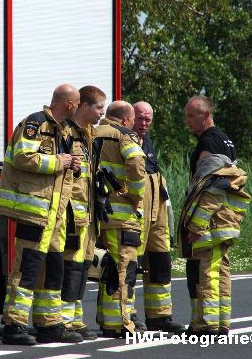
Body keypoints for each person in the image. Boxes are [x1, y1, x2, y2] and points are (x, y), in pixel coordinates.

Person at [0, 84, 84, 345]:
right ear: (69, 104)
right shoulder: (35, 123)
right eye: (77, 103)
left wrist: (72, 166)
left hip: (54, 216)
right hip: (35, 213)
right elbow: (23, 156)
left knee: (53, 270)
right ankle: (14, 325)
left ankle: (50, 325)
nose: (78, 108)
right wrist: (60, 161)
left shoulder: (64, 129)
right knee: (27, 268)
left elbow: (63, 170)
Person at [179, 95, 251, 336]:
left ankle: (206, 325)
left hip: (211, 221)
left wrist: (195, 225)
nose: (186, 121)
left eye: (191, 116)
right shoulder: (225, 140)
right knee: (221, 270)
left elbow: (207, 189)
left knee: (205, 271)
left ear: (206, 115)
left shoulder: (208, 143)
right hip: (227, 219)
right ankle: (221, 323)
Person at [128, 101, 185, 333]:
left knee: (161, 260)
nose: (144, 124)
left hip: (157, 208)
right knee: (131, 262)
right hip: (137, 207)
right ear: (130, 117)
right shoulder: (124, 139)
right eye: (140, 118)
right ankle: (128, 314)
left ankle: (160, 316)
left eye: (148, 119)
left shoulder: (146, 140)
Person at [94, 101, 146, 338]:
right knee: (124, 268)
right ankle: (121, 322)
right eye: (134, 120)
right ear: (125, 120)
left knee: (106, 269)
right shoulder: (124, 135)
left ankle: (107, 319)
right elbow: (136, 163)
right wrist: (135, 195)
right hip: (122, 215)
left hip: (97, 213)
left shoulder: (91, 133)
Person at [59, 85, 106, 340]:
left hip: (87, 214)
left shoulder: (89, 135)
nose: (102, 113)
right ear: (84, 106)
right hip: (71, 214)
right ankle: (64, 321)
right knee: (71, 267)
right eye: (99, 107)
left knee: (84, 265)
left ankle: (75, 320)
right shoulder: (66, 132)